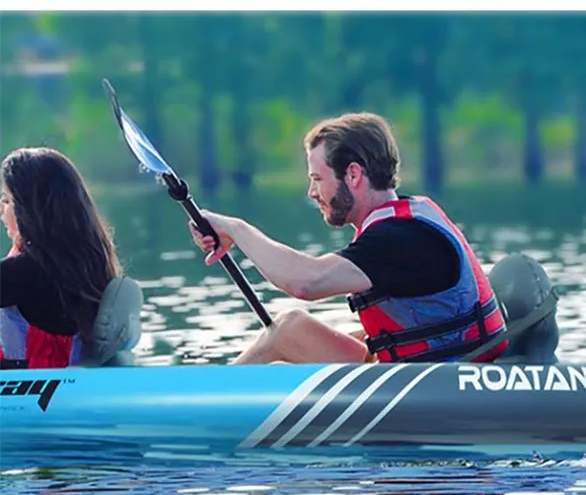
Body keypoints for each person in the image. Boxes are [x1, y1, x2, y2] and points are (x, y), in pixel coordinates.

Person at [189, 112, 508, 365]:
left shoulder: (400, 239)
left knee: (289, 330)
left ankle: (200, 407)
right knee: (291, 340)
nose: (312, 192)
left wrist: (235, 229)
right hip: (428, 367)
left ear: (353, 174)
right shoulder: (403, 223)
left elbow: (305, 283)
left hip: (440, 380)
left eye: (317, 179)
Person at [1, 147, 127, 369]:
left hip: (31, 383)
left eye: (7, 201)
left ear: (31, 210)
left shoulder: (23, 273)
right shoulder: (90, 262)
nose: (2, 211)